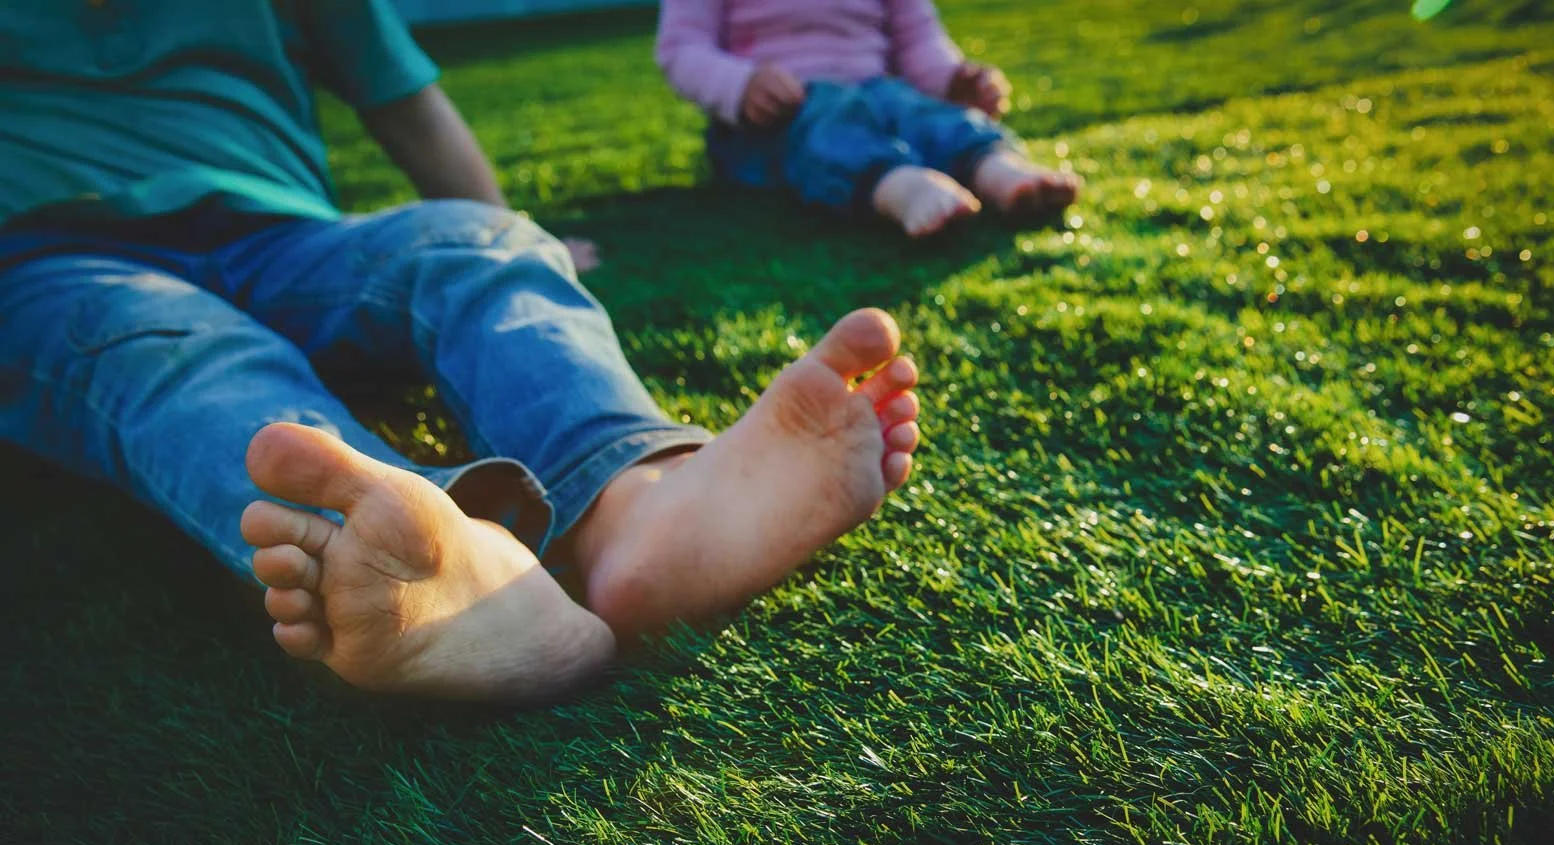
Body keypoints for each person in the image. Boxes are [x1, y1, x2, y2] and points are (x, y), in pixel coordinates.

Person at [0, 0, 922, 701]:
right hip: (55, 257)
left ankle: (638, 507)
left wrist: (499, 224)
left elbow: (412, 109)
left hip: (288, 236)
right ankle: (444, 554)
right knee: (178, 356)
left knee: (471, 251)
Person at [656, 0, 1083, 237]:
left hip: (876, 89)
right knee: (828, 128)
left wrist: (953, 81)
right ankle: (897, 185)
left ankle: (996, 166)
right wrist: (740, 85)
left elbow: (918, 40)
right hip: (777, 117)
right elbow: (682, 48)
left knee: (921, 112)